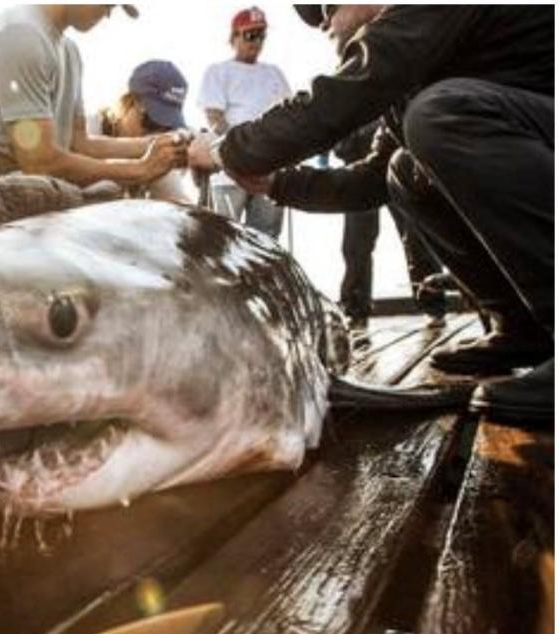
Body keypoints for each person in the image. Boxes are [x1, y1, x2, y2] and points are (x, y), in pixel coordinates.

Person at [188, 5, 553, 424]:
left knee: (441, 116)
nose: (324, 24)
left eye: (328, 7)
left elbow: (347, 91)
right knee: (404, 169)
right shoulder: (415, 76)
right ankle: (521, 327)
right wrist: (278, 183)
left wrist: (225, 149)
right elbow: (372, 180)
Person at [0, 5, 187, 189]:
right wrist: (139, 169)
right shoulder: (20, 36)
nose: (108, 14)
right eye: (107, 4)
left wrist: (162, 146)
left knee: (106, 203)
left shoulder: (70, 53)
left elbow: (80, 144)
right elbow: (39, 162)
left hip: (32, 176)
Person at [334, 121, 446, 333]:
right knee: (356, 244)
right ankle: (355, 311)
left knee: (416, 237)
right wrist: (344, 146)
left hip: (397, 160)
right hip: (357, 162)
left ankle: (433, 303)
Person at [196, 6, 291, 237]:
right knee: (222, 240)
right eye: (250, 35)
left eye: (261, 35)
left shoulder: (275, 73)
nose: (256, 41)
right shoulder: (218, 71)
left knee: (267, 241)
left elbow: (289, 114)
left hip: (269, 168)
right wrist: (242, 150)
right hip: (229, 170)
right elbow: (214, 117)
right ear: (234, 37)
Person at [87, 60, 195, 203]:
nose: (156, 134)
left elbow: (176, 201)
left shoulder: (158, 149)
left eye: (166, 127)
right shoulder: (89, 128)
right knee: (107, 189)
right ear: (130, 102)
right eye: (152, 122)